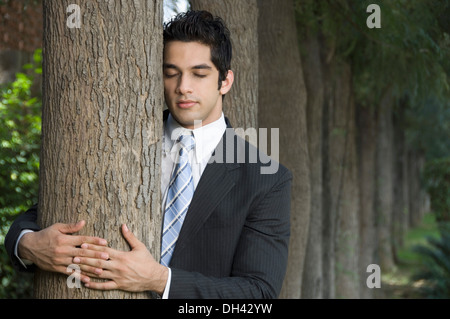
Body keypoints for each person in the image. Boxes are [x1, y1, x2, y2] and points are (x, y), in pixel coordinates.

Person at [4, 10, 292, 299]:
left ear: (225, 81)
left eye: (199, 74)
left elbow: (259, 294)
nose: (183, 87)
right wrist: (28, 244)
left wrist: (160, 281)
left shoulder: (265, 178)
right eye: (171, 73)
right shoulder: (119, 138)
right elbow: (36, 216)